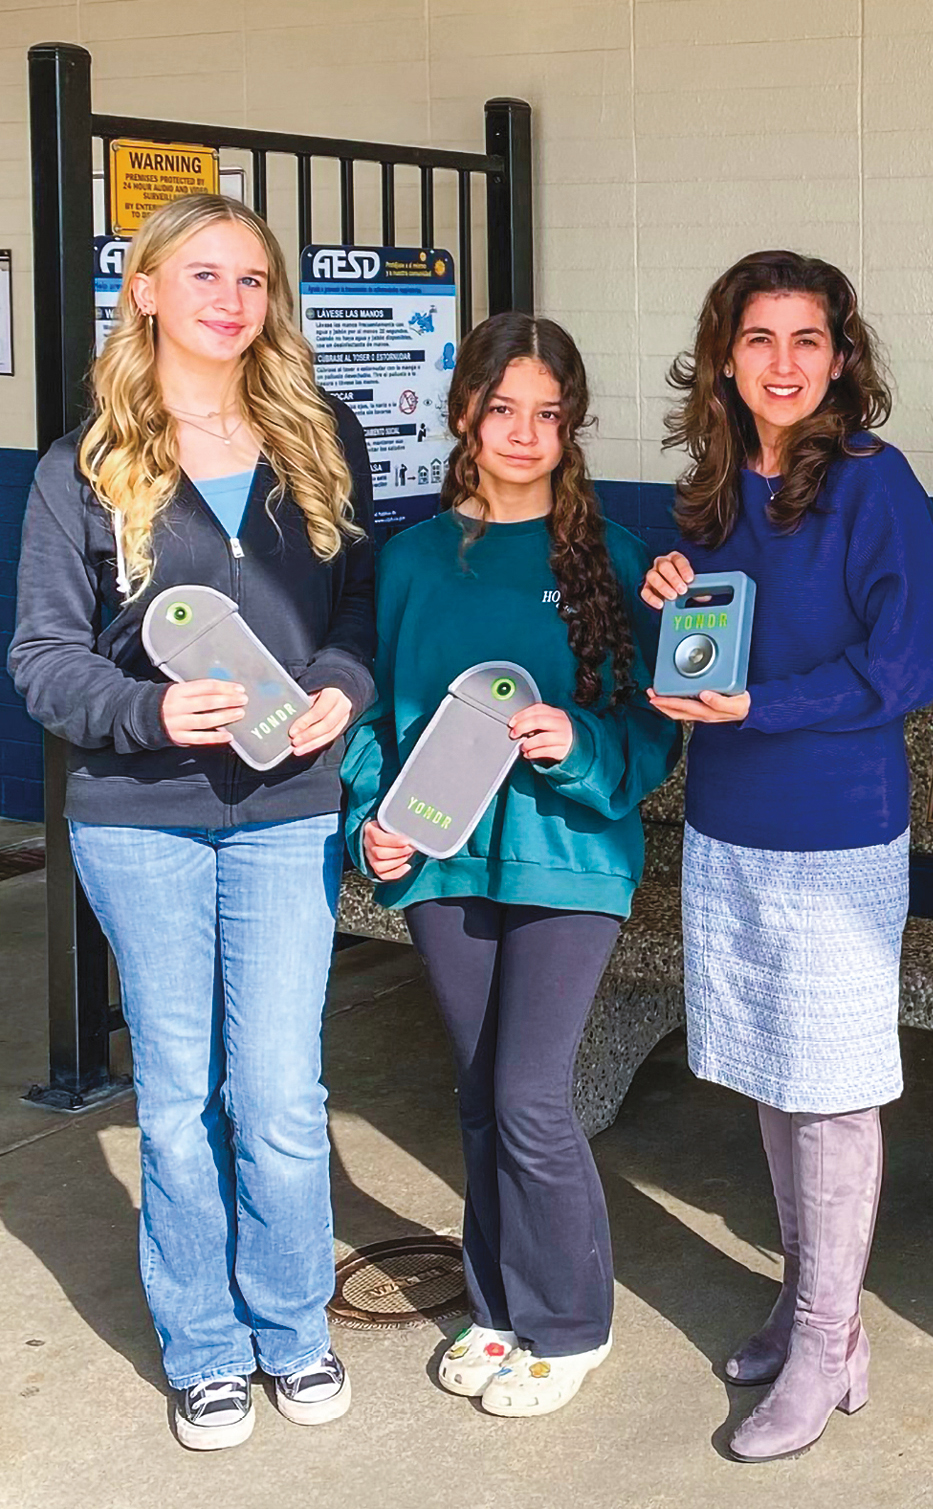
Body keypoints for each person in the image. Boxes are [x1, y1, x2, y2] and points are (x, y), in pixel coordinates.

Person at [8, 193, 374, 1450]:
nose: (231, 300)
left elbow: (356, 624)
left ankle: (293, 1327)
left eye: (254, 280)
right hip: (140, 820)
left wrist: (341, 690)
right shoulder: (80, 469)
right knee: (178, 1097)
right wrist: (152, 716)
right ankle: (206, 1349)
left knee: (278, 1091)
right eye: (204, 274)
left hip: (285, 812)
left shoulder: (321, 442)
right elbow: (45, 660)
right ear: (148, 292)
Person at [641, 248, 933, 1462]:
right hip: (730, 819)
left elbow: (911, 664)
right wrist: (679, 588)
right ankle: (809, 1302)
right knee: (776, 1072)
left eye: (807, 340)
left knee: (829, 1088)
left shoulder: (873, 483)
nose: (783, 363)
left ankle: (828, 1337)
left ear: (840, 357)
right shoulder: (711, 492)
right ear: (725, 354)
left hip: (835, 825)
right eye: (759, 339)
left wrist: (757, 711)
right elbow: (714, 647)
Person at [342, 313, 682, 1417]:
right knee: (483, 1094)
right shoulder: (409, 561)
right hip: (444, 865)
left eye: (549, 413)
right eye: (504, 410)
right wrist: (371, 822)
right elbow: (371, 723)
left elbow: (653, 737)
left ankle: (570, 1322)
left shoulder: (616, 563)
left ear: (572, 426)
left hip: (569, 862)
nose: (525, 433)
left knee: (534, 1096)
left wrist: (577, 743)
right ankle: (496, 1305)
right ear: (463, 416)